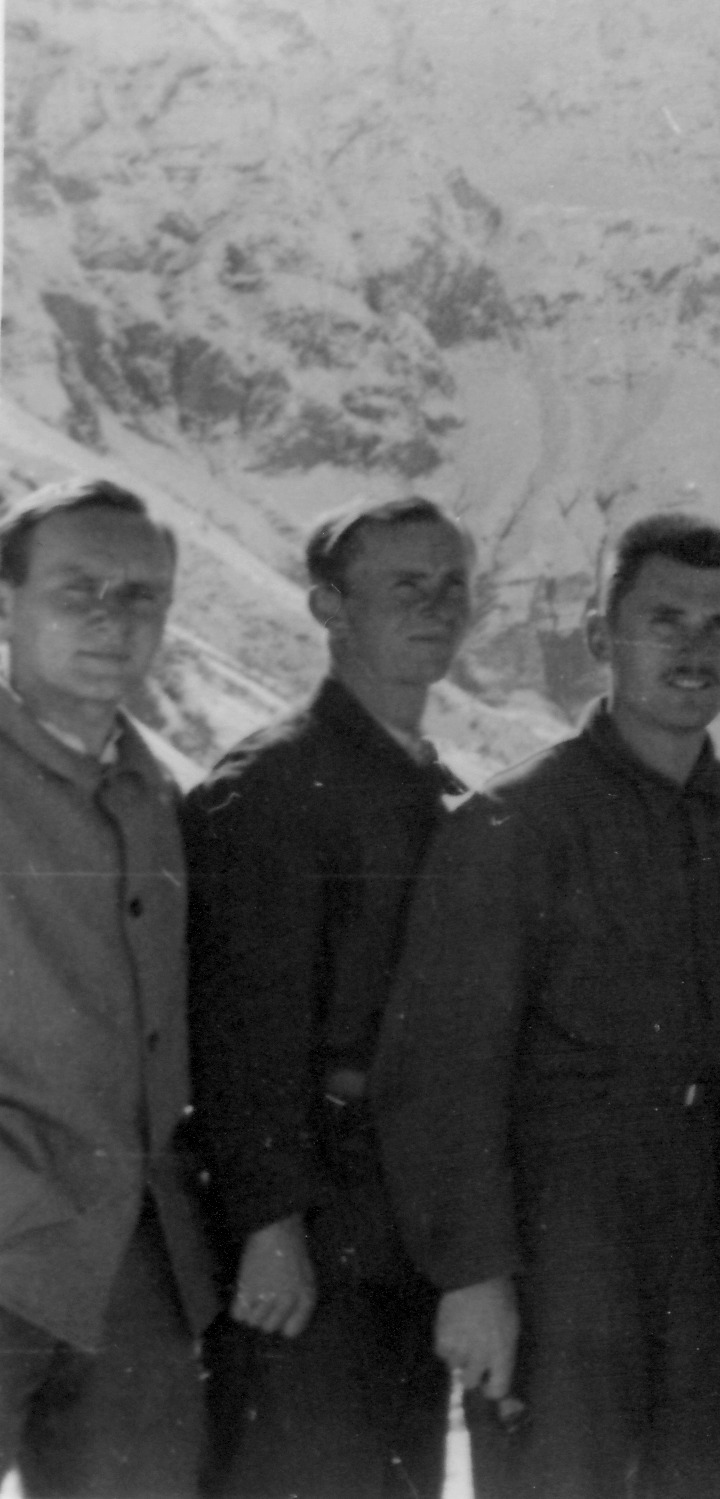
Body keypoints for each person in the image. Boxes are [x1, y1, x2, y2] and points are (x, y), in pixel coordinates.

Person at [372, 513, 720, 1499]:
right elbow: (441, 1072)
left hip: (709, 1240)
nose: (694, 648)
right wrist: (474, 1276)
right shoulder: (516, 823)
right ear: (601, 635)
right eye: (664, 619)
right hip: (563, 1241)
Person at [184, 498, 473, 1499]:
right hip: (308, 1234)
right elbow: (239, 1025)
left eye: (453, 584)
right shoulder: (273, 785)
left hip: (403, 1226)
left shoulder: (428, 781)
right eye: (406, 584)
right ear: (329, 606)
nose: (438, 606)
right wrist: (269, 1223)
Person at [0, 478, 218, 1497]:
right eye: (77, 588)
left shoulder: (158, 792)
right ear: (7, 601)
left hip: (135, 1267)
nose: (111, 618)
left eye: (140, 595)